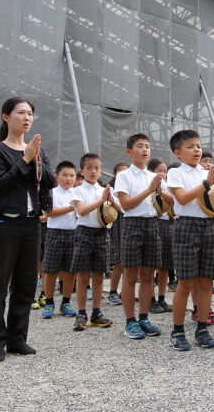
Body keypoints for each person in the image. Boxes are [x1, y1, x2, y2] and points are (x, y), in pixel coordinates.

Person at [0, 97, 55, 362]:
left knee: (25, 284)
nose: (26, 118)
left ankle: (17, 338)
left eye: (30, 113)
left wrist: (35, 159)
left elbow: (51, 181)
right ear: (5, 117)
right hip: (3, 224)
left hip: (31, 223)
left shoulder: (37, 149)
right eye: (20, 113)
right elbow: (1, 184)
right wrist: (25, 160)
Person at [166, 130, 214, 350]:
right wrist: (206, 184)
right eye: (190, 147)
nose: (196, 150)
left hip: (210, 225)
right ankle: (177, 330)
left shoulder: (207, 172)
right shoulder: (176, 173)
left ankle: (202, 327)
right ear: (178, 152)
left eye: (198, 145)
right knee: (185, 282)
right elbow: (183, 198)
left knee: (206, 281)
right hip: (186, 225)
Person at [113, 134, 168, 340]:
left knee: (148, 276)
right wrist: (149, 190)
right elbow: (125, 204)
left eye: (147, 146)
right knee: (130, 276)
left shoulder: (152, 177)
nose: (145, 150)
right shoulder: (124, 175)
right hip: (132, 224)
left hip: (152, 224)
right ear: (129, 152)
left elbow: (165, 199)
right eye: (140, 146)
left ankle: (144, 317)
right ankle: (130, 321)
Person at [69, 153, 113, 331]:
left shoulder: (103, 190)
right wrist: (101, 201)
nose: (93, 171)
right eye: (89, 168)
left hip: (102, 232)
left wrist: (110, 200)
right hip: (84, 232)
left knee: (99, 275)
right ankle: (81, 312)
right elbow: (82, 211)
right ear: (82, 171)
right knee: (82, 276)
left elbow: (118, 208)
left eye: (97, 168)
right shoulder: (77, 190)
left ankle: (96, 312)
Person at [39, 161, 78, 319]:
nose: (68, 179)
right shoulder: (51, 192)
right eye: (65, 175)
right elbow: (49, 212)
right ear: (57, 177)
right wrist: (72, 207)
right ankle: (49, 303)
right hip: (54, 233)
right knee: (50, 270)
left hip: (73, 233)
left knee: (70, 270)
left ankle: (66, 302)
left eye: (71, 175)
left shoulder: (78, 193)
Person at [147, 158, 174, 314]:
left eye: (164, 171)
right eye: (159, 170)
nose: (162, 174)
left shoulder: (167, 186)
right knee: (152, 265)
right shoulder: (149, 184)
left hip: (168, 223)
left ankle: (162, 298)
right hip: (154, 222)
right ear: (151, 171)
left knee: (165, 265)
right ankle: (151, 299)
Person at [106, 162, 128, 306]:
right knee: (119, 261)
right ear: (115, 174)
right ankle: (113, 291)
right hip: (118, 223)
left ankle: (125, 292)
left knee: (130, 262)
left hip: (130, 221)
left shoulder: (131, 188)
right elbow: (121, 208)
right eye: (120, 172)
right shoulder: (111, 190)